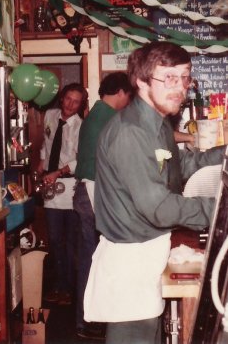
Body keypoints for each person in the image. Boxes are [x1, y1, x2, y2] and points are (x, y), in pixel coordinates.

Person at [84, 41, 225, 344]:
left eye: (184, 77)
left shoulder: (157, 124)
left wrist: (224, 153)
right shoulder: (131, 132)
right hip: (130, 263)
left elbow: (184, 165)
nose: (180, 88)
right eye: (169, 78)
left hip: (148, 255)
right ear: (141, 82)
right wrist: (220, 210)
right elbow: (159, 208)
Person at [74, 72, 133, 340]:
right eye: (128, 96)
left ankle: (88, 318)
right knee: (93, 259)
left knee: (92, 257)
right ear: (120, 92)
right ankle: (87, 320)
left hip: (89, 191)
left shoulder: (97, 114)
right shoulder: (108, 117)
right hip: (93, 191)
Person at [37, 82, 88, 305]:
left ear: (81, 105)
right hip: (51, 186)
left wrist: (58, 171)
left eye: (76, 101)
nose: (71, 104)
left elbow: (80, 160)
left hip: (70, 187)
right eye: (68, 98)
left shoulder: (81, 127)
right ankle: (59, 286)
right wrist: (41, 161)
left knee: (70, 242)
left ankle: (69, 289)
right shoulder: (50, 115)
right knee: (55, 239)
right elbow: (46, 143)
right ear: (62, 98)